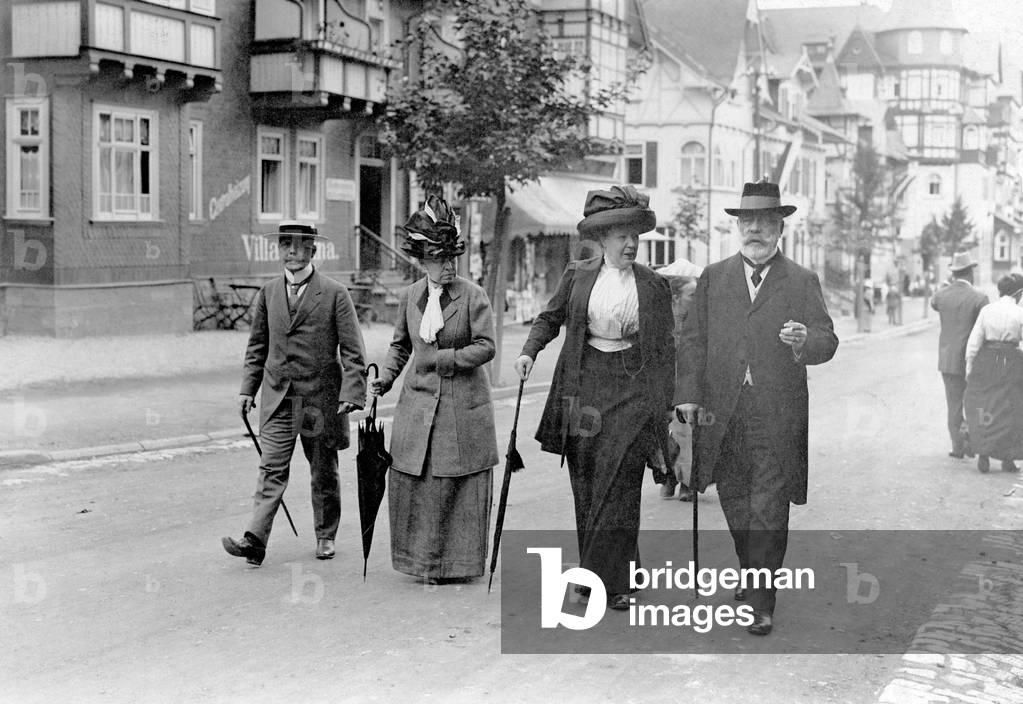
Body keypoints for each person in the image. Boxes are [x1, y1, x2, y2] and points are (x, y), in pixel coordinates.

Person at [675, 180, 838, 636]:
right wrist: (686, 396)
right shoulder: (715, 277)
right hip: (723, 414)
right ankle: (752, 572)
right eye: (748, 222)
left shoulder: (801, 280)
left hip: (776, 415)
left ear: (779, 228)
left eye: (765, 223)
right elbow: (693, 343)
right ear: (739, 227)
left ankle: (762, 602)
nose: (755, 231)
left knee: (768, 507)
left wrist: (806, 342)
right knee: (735, 502)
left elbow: (828, 340)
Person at [514, 185, 675, 610]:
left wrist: (671, 403)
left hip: (633, 391)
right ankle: (595, 570)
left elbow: (667, 348)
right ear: (602, 240)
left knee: (620, 484)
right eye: (621, 236)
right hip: (584, 389)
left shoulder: (653, 285)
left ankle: (615, 584)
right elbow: (550, 318)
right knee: (586, 483)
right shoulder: (578, 275)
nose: (630, 244)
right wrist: (529, 351)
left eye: (635, 237)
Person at [222, 222, 367, 566]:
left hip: (319, 399)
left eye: (299, 245)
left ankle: (326, 535)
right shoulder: (269, 292)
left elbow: (352, 349)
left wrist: (353, 392)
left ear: (312, 251)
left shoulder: (334, 293)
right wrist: (247, 389)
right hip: (277, 398)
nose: (291, 251)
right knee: (271, 468)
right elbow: (257, 346)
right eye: (285, 244)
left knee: (323, 470)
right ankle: (254, 540)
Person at [369, 198, 498, 582]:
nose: (447, 266)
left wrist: (448, 359)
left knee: (454, 484)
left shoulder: (473, 295)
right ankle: (421, 563)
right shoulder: (411, 297)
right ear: (422, 261)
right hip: (419, 404)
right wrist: (387, 377)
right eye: (438, 259)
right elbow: (400, 346)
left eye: (451, 258)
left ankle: (456, 565)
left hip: (462, 406)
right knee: (416, 481)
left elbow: (487, 346)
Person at [930, 251, 988, 459]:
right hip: (972, 360)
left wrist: (947, 282)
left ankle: (957, 448)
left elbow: (934, 302)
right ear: (971, 272)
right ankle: (974, 444)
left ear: (954, 273)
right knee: (974, 403)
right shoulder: (979, 297)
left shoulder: (942, 295)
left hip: (947, 360)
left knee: (953, 405)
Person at [963, 274, 1023, 474]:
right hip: (1011, 362)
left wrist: (969, 367)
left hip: (986, 360)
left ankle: (983, 455)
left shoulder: (986, 311)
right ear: (1019, 292)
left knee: (985, 405)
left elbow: (974, 341)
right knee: (1010, 408)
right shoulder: (1019, 312)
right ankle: (1007, 458)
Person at [656, 256, 704, 501]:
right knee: (667, 435)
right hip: (666, 386)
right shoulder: (662, 323)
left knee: (690, 433)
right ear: (676, 298)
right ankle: (669, 477)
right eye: (691, 295)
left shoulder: (699, 322)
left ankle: (686, 483)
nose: (696, 300)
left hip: (689, 386)